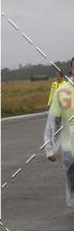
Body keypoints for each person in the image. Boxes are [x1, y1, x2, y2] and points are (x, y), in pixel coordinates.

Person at [45, 57, 74, 208]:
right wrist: (51, 148)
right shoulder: (61, 92)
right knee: (71, 171)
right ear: (71, 69)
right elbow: (53, 122)